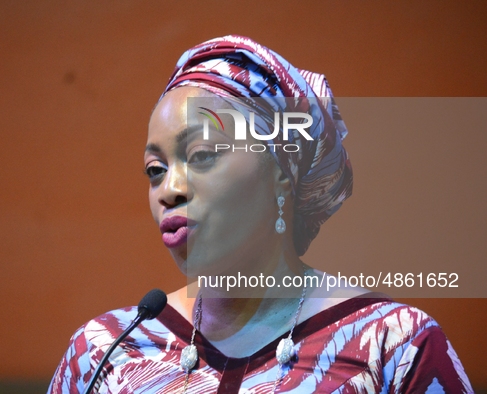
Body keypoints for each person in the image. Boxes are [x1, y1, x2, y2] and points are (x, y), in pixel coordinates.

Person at [47, 35, 472, 393]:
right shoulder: (104, 353)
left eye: (202, 155)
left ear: (281, 176)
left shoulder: (395, 347)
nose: (169, 190)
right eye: (155, 171)